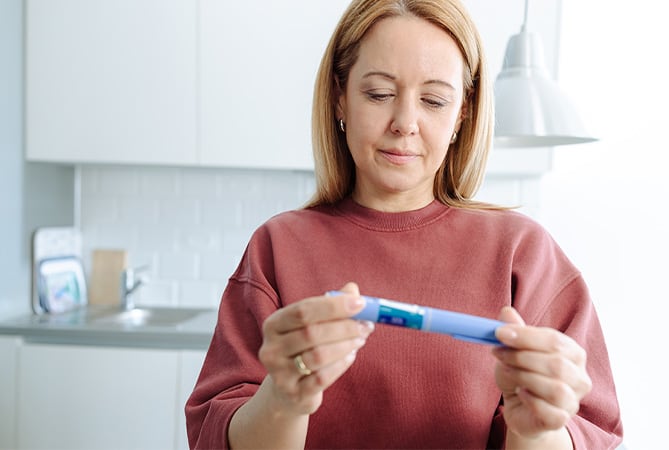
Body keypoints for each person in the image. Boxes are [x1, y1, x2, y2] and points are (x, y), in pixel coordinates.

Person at [185, 0, 623, 448]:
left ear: (462, 116)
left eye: (433, 100)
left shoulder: (525, 254)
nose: (405, 123)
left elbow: (592, 433)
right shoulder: (277, 248)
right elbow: (215, 435)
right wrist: (283, 399)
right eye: (378, 94)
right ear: (340, 96)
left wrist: (536, 429)